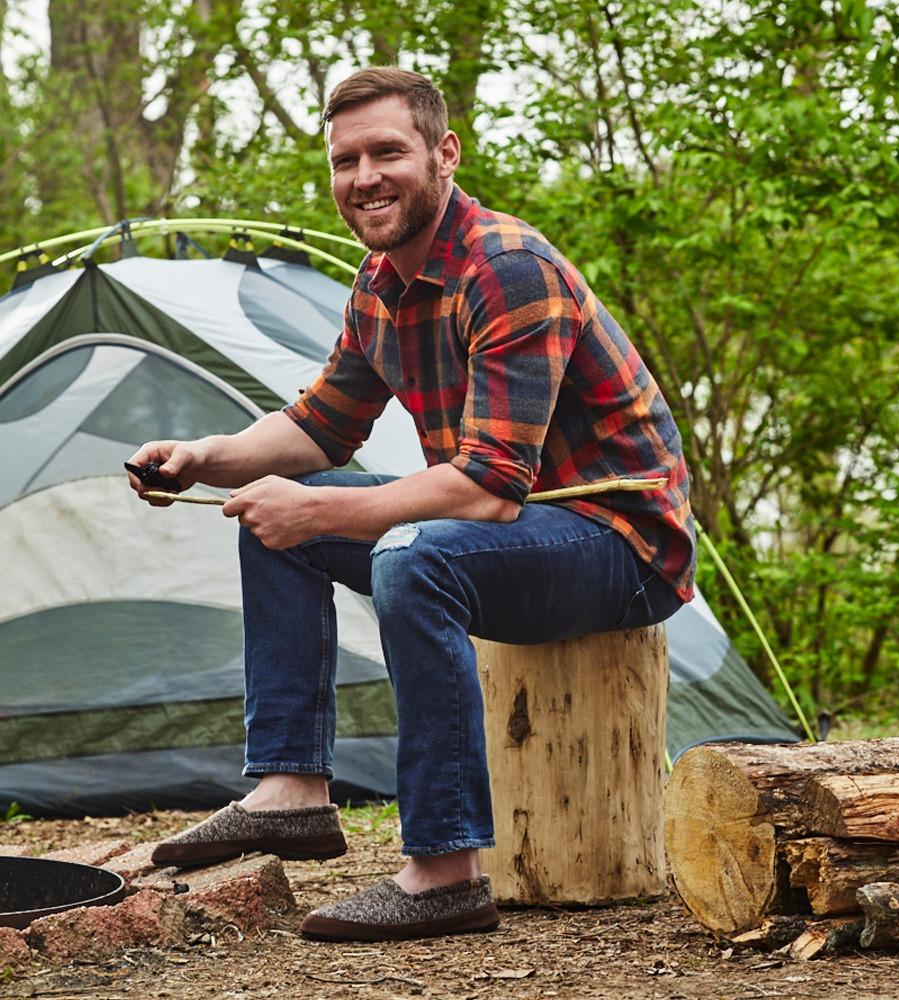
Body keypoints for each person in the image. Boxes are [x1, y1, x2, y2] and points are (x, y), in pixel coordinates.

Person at [127, 67, 696, 942]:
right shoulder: (380, 284)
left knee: (408, 551)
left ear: (443, 154)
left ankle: (444, 872)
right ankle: (290, 791)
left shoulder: (506, 269)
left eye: (387, 152)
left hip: (618, 544)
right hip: (513, 536)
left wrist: (321, 513)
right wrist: (206, 458)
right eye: (346, 159)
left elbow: (486, 488)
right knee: (278, 510)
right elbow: (320, 429)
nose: (365, 178)